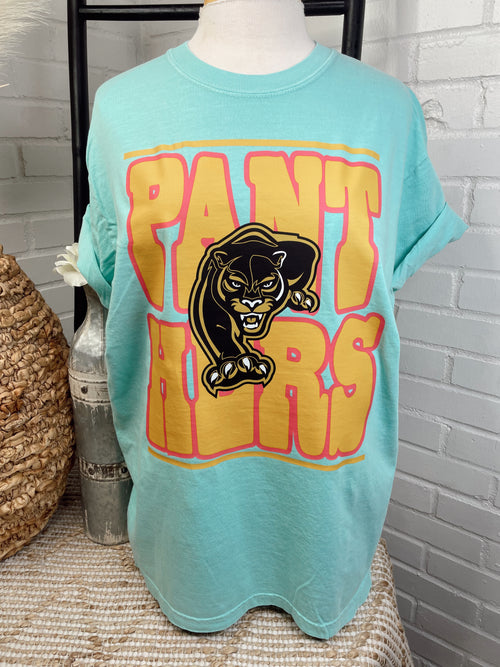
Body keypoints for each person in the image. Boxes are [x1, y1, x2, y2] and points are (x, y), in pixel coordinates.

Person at [77, 0, 467, 640]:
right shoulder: (121, 108)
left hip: (327, 540)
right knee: (217, 319)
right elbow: (128, 289)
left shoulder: (388, 112)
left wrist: (304, 288)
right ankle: (235, 354)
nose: (257, 302)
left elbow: (327, 261)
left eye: (269, 290)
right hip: (187, 539)